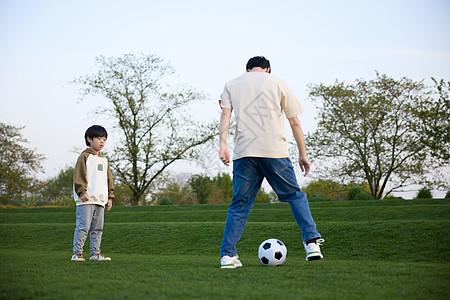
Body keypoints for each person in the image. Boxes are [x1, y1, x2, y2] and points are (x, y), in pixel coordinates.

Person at [218, 56, 324, 269]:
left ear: (247, 69)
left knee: (239, 205)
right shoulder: (279, 83)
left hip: (244, 153)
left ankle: (228, 257)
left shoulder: (231, 84)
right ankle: (312, 243)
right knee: (295, 196)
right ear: (268, 69)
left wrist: (223, 145)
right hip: (274, 152)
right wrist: (303, 154)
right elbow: (294, 121)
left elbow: (225, 116)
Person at [71, 125, 114, 261]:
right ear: (89, 139)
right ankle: (77, 253)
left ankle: (95, 254)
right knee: (83, 227)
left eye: (104, 139)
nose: (102, 142)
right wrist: (81, 192)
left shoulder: (104, 160)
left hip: (100, 200)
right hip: (86, 199)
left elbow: (108, 180)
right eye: (99, 138)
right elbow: (79, 176)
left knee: (98, 229)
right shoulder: (84, 157)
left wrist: (110, 197)